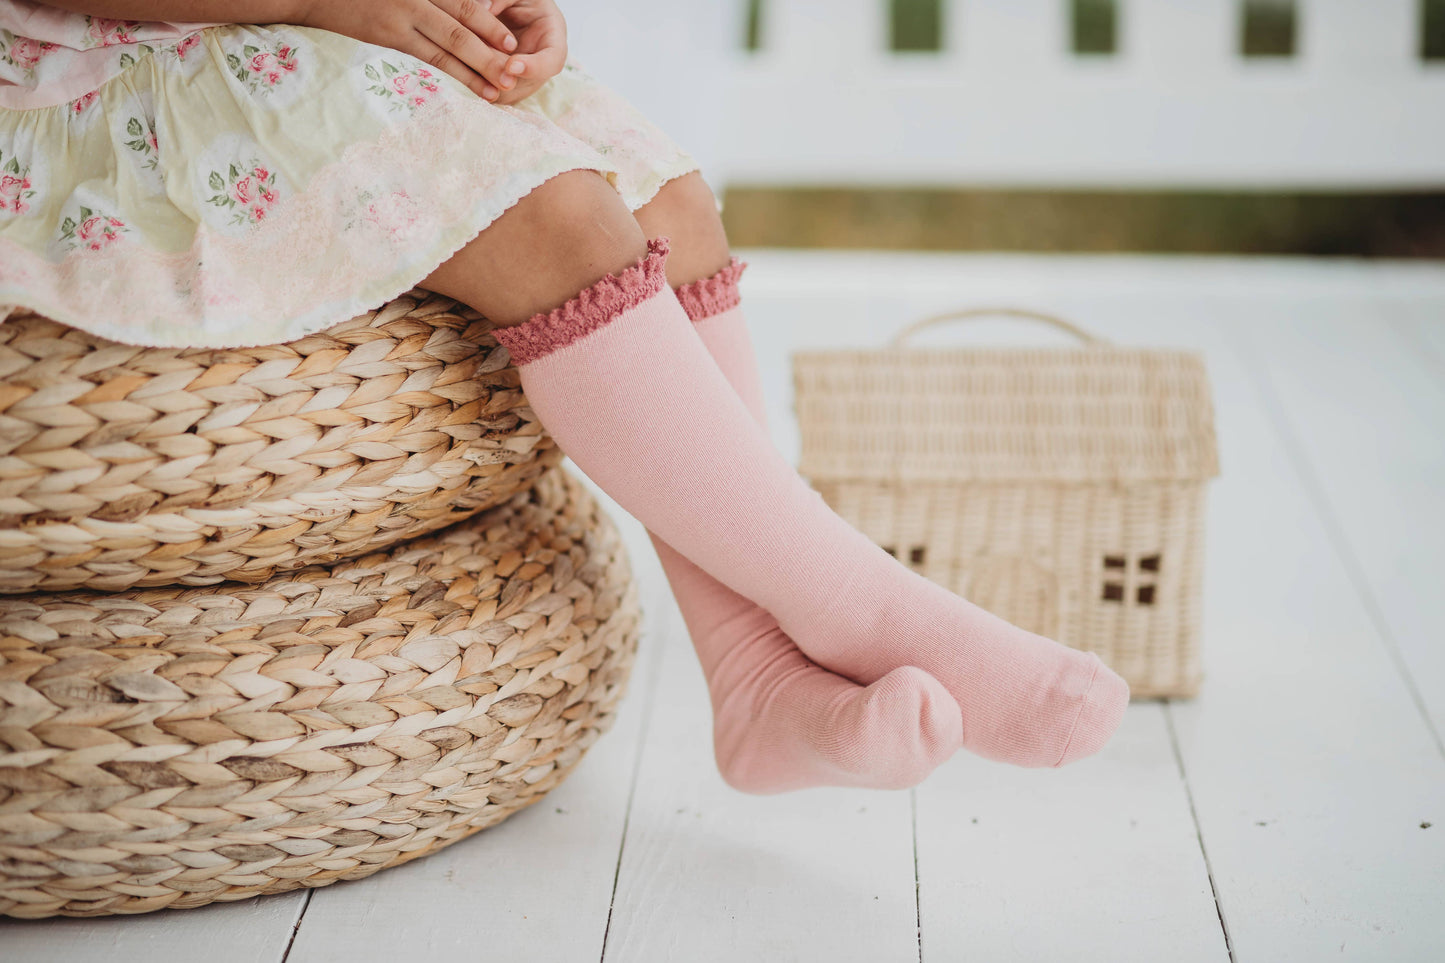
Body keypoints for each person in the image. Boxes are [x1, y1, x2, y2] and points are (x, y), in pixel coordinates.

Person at [0, 0, 1129, 795]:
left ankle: (750, 674)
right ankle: (862, 607)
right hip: (109, 61)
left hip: (302, 32)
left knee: (667, 201)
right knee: (565, 225)